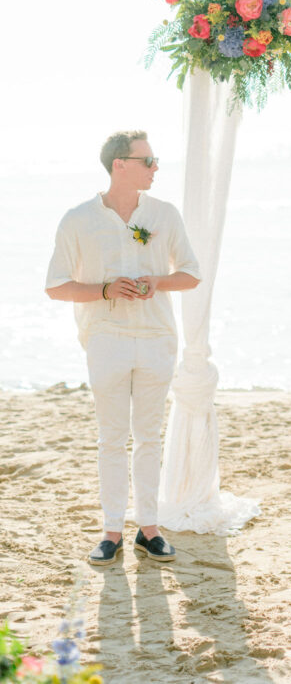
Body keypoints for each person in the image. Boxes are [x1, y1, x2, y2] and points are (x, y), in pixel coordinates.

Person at [45, 130, 201, 566]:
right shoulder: (78, 219)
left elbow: (191, 274)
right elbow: (56, 286)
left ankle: (148, 529)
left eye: (154, 160)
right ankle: (112, 530)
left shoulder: (165, 214)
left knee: (149, 436)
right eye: (148, 160)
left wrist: (157, 282)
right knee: (111, 438)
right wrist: (107, 289)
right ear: (120, 165)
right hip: (106, 340)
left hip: (156, 339)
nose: (156, 167)